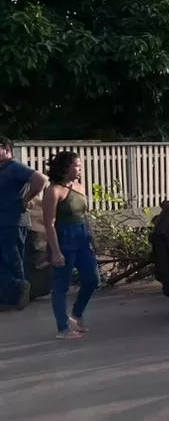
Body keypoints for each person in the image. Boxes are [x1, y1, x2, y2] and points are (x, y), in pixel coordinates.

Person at [40, 151, 99, 340]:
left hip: (82, 237)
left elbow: (84, 214)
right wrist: (56, 251)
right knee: (61, 286)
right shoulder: (53, 191)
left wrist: (92, 237)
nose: (80, 168)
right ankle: (63, 328)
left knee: (92, 279)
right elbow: (49, 223)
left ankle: (76, 314)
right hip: (64, 239)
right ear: (66, 168)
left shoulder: (80, 188)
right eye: (77, 165)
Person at [0, 136, 47, 310]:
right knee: (4, 262)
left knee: (13, 260)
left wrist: (26, 199)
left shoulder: (14, 167)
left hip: (13, 222)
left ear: (6, 149)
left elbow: (40, 179)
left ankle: (19, 293)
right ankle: (12, 293)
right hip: (3, 222)